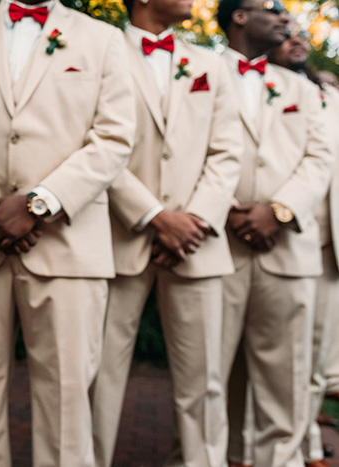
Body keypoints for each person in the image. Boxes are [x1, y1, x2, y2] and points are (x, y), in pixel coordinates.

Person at [0, 1, 136, 465]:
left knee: (67, 409)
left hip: (68, 246)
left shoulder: (103, 39)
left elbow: (114, 138)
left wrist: (38, 204)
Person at [89, 0, 243, 463]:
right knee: (99, 373)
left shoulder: (211, 65)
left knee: (205, 379)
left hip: (197, 244)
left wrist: (193, 221)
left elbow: (226, 152)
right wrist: (155, 216)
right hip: (120, 235)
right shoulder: (101, 49)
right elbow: (95, 140)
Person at [216, 1, 334, 465]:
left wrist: (279, 211)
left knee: (285, 384)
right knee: (206, 381)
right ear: (239, 16)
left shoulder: (303, 90)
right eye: (273, 8)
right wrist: (222, 210)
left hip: (289, 250)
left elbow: (319, 159)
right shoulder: (198, 71)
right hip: (216, 246)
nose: (286, 17)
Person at [266, 21, 339, 467]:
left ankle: (307, 441)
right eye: (285, 33)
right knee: (281, 350)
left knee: (317, 350)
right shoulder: (264, 90)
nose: (296, 39)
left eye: (301, 35)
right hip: (285, 233)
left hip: (330, 242)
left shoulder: (327, 93)